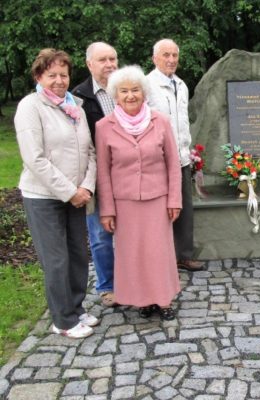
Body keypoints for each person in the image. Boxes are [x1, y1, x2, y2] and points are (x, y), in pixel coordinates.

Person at [15, 48, 98, 338]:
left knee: (77, 255)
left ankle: (76, 308)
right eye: (52, 75)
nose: (59, 80)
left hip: (77, 194)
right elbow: (34, 158)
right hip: (44, 197)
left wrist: (86, 186)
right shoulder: (31, 106)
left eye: (63, 74)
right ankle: (63, 320)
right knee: (56, 259)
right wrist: (69, 191)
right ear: (39, 76)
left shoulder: (75, 104)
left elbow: (90, 150)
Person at [96, 65, 182, 320]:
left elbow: (173, 163)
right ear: (115, 95)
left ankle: (163, 299)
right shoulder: (104, 126)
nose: (130, 95)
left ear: (143, 93)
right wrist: (107, 209)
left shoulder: (161, 121)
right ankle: (143, 300)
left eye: (135, 90)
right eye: (124, 91)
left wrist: (174, 199)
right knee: (133, 254)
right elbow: (103, 171)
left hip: (158, 199)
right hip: (125, 203)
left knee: (159, 251)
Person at [146, 38, 203, 272]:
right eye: (166, 55)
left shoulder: (181, 84)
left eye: (174, 55)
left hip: (181, 158)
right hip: (157, 160)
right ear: (154, 58)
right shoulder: (147, 85)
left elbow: (182, 123)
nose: (171, 60)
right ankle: (162, 258)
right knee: (160, 211)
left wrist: (187, 151)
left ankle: (184, 255)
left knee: (184, 209)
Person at [72, 42, 118, 308]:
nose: (109, 64)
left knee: (131, 232)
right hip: (95, 175)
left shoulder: (127, 89)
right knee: (100, 236)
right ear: (90, 64)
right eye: (103, 60)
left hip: (125, 174)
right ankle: (107, 286)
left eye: (113, 58)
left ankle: (132, 279)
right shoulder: (79, 96)